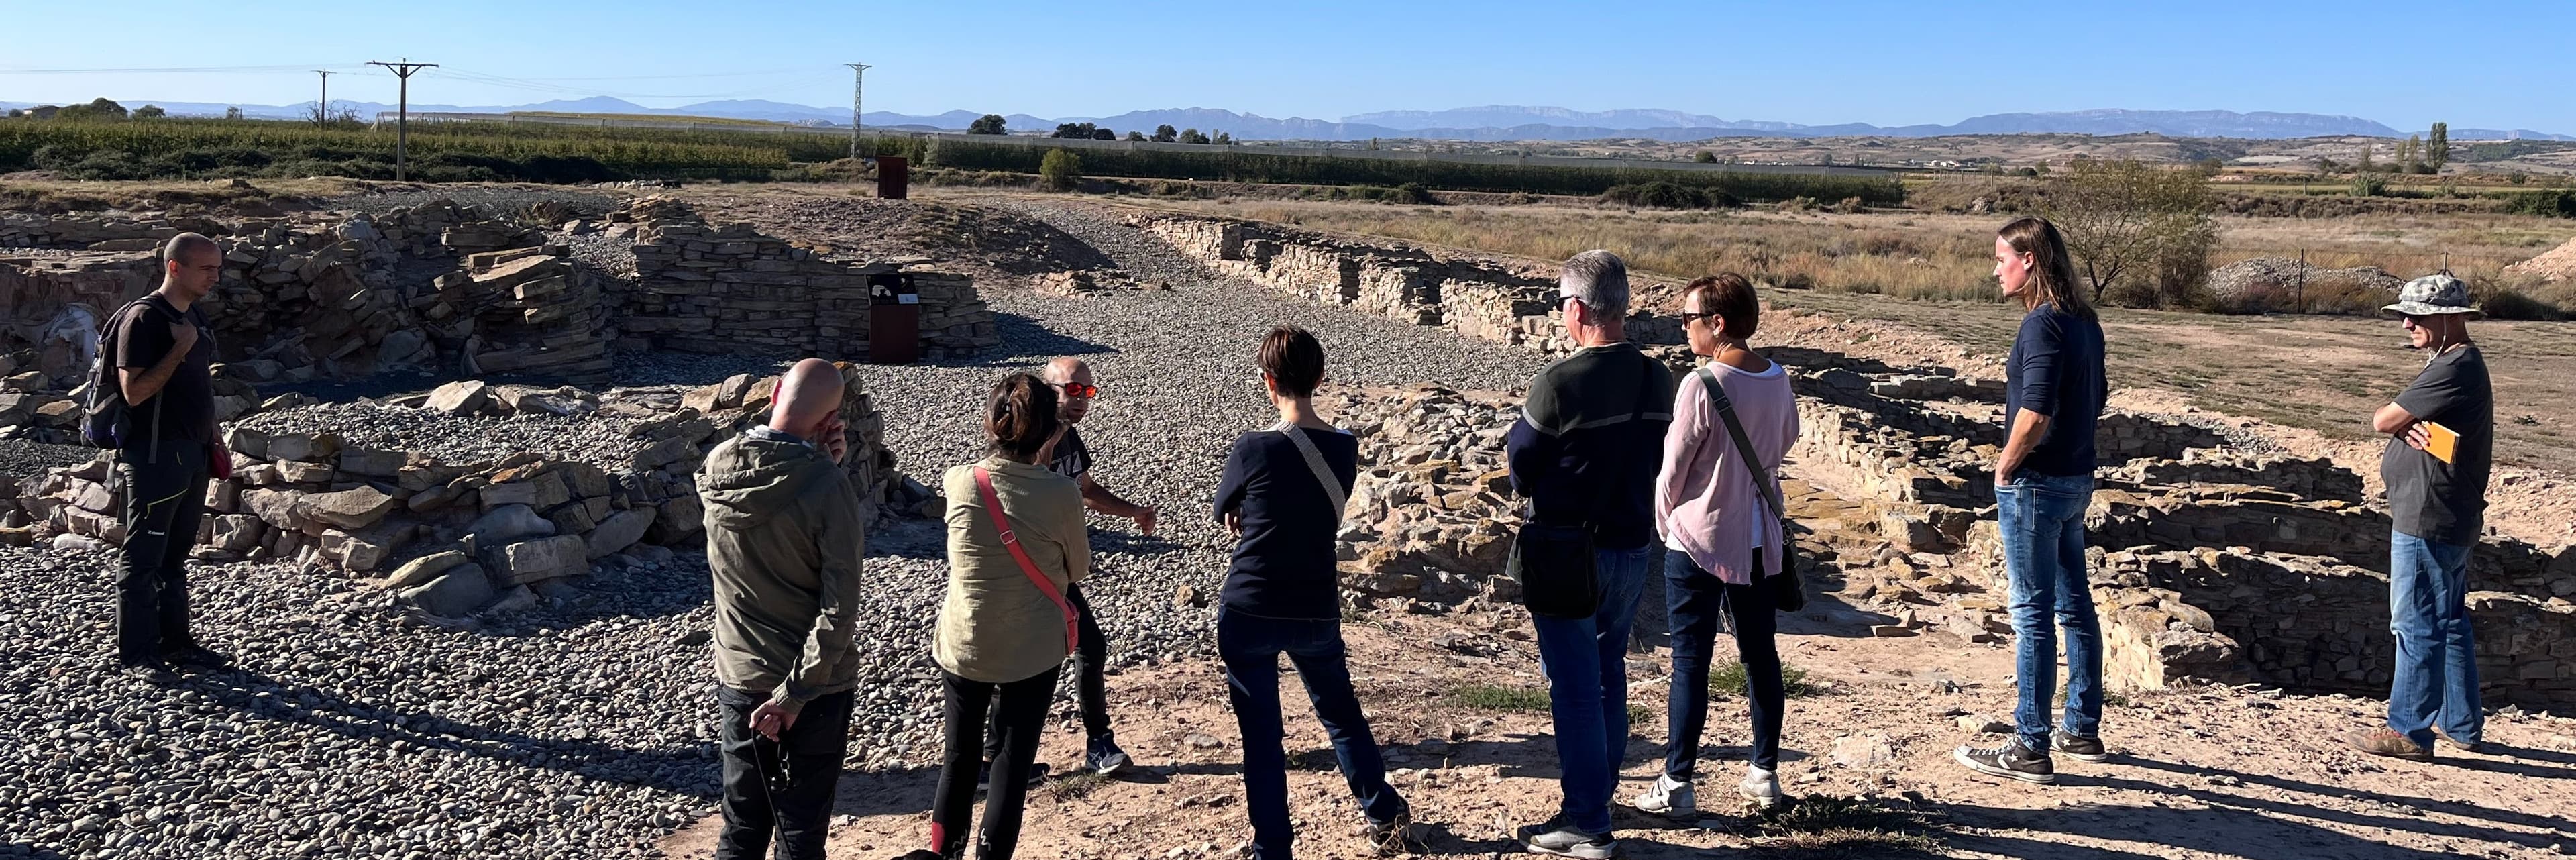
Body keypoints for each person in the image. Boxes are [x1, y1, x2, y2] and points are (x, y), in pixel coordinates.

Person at [1211, 326, 1414, 859]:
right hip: (1314, 605)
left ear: (1267, 382)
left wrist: (1246, 512)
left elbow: (1223, 509)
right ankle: (1384, 814)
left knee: (1261, 738)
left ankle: (1273, 847)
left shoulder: (1253, 446)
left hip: (1250, 603)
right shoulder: (1345, 447)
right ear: (1320, 379)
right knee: (1341, 715)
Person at [1505, 250, 1674, 857]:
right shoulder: (1661, 378)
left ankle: (1586, 821)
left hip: (1568, 552)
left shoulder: (1558, 383)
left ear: (1577, 310)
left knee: (1574, 686)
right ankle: (1598, 791)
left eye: (1560, 306)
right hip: (1633, 548)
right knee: (1608, 673)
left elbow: (1522, 468)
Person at [1953, 217, 2110, 785]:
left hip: (2038, 483)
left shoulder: (2042, 325)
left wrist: (2006, 465)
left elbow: (2036, 409)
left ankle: (2029, 745)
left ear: (2031, 262)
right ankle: (2082, 728)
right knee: (2075, 605)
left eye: (2003, 258)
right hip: (2075, 478)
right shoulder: (2085, 321)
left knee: (2032, 613)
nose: (1996, 269)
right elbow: (2097, 397)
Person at [1635, 274, 1799, 817]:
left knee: (1690, 660)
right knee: (1760, 654)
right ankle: (1764, 772)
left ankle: (1678, 782)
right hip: (1758, 538)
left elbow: (1672, 469)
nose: (1684, 329)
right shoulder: (1778, 378)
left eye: (1690, 319)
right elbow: (1787, 440)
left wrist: (1666, 526)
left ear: (1718, 323)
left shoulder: (1701, 384)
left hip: (1700, 537)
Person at [698, 358, 867, 860]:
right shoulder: (828, 489)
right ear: (828, 420)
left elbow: (774, 504)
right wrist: (794, 696)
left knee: (742, 823)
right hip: (815, 686)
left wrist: (821, 464)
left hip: (741, 674)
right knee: (801, 828)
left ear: (774, 394)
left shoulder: (717, 466)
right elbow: (840, 609)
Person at [928, 374, 1089, 860]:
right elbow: (1078, 569)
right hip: (1031, 646)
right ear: (1046, 433)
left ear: (991, 424)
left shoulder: (959, 481)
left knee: (957, 758)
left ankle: (944, 853)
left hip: (965, 640)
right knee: (1012, 763)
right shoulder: (1060, 494)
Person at [975, 356, 1146, 788]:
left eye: (1087, 392)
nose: (1082, 400)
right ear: (1046, 390)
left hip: (1055, 571)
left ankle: (1009, 760)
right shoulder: (1027, 444)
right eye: (1072, 389)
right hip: (1026, 571)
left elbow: (1086, 491)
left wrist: (1135, 513)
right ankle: (1083, 747)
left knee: (1076, 650)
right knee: (1029, 661)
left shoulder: (1070, 439)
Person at [2349, 274, 2491, 761]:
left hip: (2429, 514)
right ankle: (2461, 723)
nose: (2408, 324)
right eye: (2405, 315)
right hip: (2448, 510)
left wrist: (2403, 422)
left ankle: (2409, 730)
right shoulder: (2457, 362)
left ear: (2451, 320)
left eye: (2419, 317)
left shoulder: (2454, 365)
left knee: (2416, 624)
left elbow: (2383, 420)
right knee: (2448, 620)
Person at [111, 232, 229, 683]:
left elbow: (200, 385)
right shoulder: (144, 319)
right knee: (143, 556)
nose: (215, 276)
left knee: (176, 555)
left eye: (218, 268)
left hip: (194, 450)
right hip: (156, 455)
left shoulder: (195, 315)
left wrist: (214, 437)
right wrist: (178, 349)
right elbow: (134, 391)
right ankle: (137, 654)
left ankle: (177, 644)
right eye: (207, 268)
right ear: (175, 267)